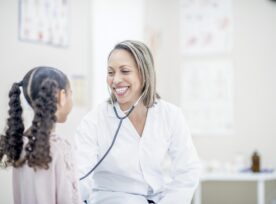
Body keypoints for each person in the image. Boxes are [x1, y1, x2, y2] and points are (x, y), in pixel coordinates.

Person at [75, 40, 201, 204]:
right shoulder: (95, 120)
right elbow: (80, 174)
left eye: (125, 71)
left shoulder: (170, 115)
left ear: (144, 74)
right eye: (111, 72)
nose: (116, 80)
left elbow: (188, 170)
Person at [0, 66, 82, 204]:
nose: (71, 100)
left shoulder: (19, 143)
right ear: (61, 97)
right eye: (70, 94)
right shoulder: (60, 148)